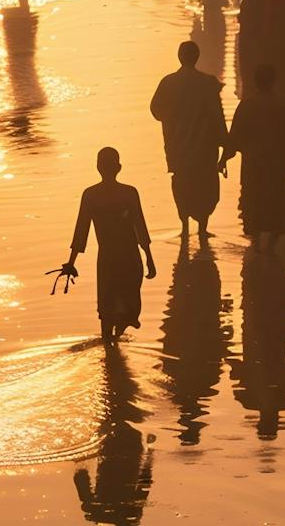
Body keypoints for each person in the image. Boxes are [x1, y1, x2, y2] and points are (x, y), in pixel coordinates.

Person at [61, 147, 156, 345]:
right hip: (130, 258)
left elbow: (81, 232)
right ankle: (118, 337)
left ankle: (110, 354)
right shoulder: (129, 193)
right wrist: (149, 258)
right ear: (119, 168)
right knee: (125, 306)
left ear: (98, 167)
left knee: (107, 309)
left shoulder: (91, 195)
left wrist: (71, 263)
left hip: (108, 260)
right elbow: (140, 227)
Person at [149, 41, 230, 239]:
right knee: (205, 187)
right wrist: (226, 148)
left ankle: (184, 226)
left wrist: (174, 117)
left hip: (179, 149)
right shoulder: (209, 83)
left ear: (179, 57)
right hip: (205, 150)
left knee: (182, 185)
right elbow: (218, 117)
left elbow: (155, 111)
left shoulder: (168, 83)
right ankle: (202, 228)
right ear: (197, 57)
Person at [227, 63, 285, 253]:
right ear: (274, 80)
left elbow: (234, 136)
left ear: (255, 81)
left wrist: (224, 159)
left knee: (253, 200)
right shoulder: (283, 104)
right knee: (276, 200)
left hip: (253, 164)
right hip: (276, 163)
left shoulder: (247, 104)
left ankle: (256, 243)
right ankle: (270, 246)